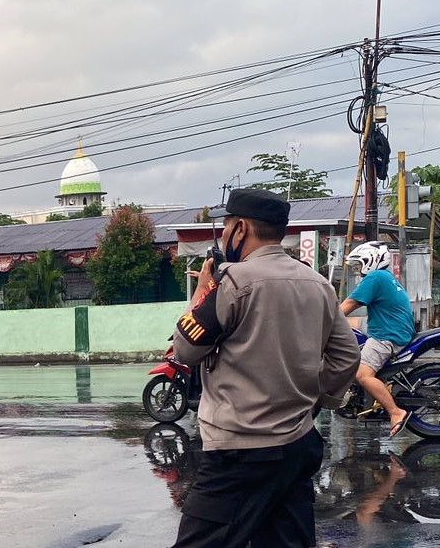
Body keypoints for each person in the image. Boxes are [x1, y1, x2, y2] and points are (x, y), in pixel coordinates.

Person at [170, 188, 362, 548]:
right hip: (297, 445)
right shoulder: (318, 284)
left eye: (226, 226)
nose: (225, 235)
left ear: (240, 228)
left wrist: (201, 293)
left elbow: (186, 349)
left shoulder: (232, 281)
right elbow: (346, 357)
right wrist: (316, 400)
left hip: (239, 450)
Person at [340, 241, 419, 438]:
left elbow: (350, 303)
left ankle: (396, 411)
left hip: (388, 335)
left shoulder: (375, 277)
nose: (358, 271)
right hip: (392, 331)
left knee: (362, 374)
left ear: (371, 261)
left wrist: (326, 318)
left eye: (359, 265)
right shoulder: (385, 277)